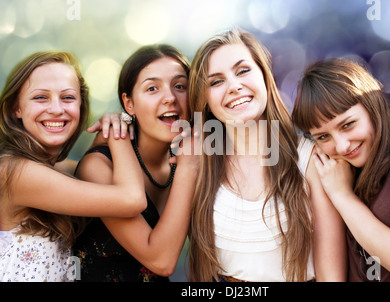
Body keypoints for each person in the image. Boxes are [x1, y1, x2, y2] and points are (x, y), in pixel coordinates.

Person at [188, 28, 346, 282]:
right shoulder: (198, 163)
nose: (234, 86)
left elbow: (332, 277)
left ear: (265, 76)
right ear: (204, 99)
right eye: (216, 81)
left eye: (243, 71)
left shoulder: (310, 160)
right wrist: (119, 125)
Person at [292, 57, 390, 281]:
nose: (341, 145)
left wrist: (342, 195)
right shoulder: (335, 171)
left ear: (372, 105)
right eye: (323, 136)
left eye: (348, 125)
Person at [0, 51, 147, 282]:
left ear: (81, 105)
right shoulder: (13, 171)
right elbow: (132, 199)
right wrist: (119, 132)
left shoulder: (60, 169)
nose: (57, 109)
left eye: (68, 98)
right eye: (40, 97)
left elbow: (92, 172)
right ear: (15, 108)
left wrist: (103, 139)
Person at [72, 44, 199, 282]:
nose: (170, 97)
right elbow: (161, 261)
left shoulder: (189, 158)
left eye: (180, 86)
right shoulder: (99, 167)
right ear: (128, 104)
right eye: (152, 88)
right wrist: (189, 168)